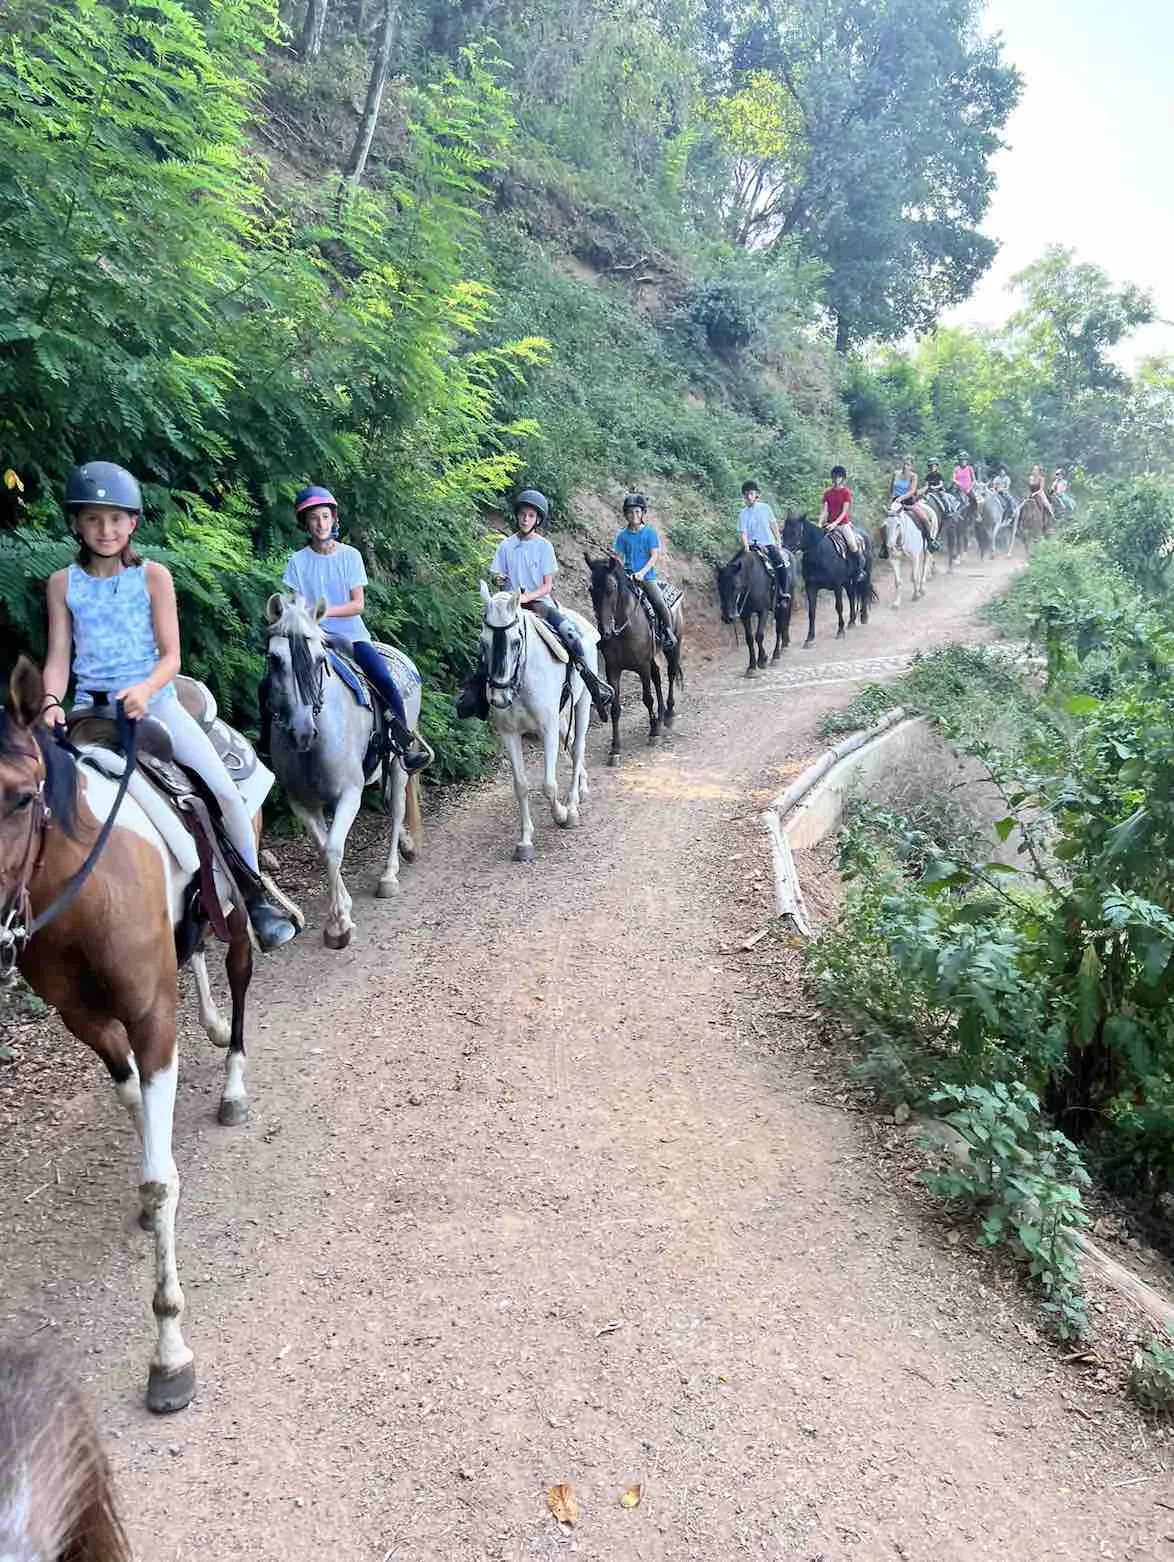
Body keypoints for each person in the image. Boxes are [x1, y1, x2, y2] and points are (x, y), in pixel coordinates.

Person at [40, 462, 297, 952]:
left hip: (154, 706)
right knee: (37, 800)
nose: (105, 530)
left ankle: (252, 894)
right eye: (93, 519)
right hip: (89, 717)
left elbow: (171, 655)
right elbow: (58, 658)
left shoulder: (153, 577)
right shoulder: (62, 584)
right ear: (76, 523)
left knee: (221, 790)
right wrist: (52, 701)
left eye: (116, 519)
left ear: (133, 522)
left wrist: (143, 690)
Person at [279, 486, 429, 774]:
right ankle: (272, 744)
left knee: (384, 679)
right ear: (305, 523)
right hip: (313, 639)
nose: (321, 523)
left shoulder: (351, 556)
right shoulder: (297, 561)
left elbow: (357, 604)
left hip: (351, 635)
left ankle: (404, 744)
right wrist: (299, 616)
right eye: (314, 518)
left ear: (334, 519)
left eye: (325, 516)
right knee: (275, 681)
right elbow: (295, 603)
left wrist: (321, 612)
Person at [455, 490, 614, 720]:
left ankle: (591, 682)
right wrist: (499, 579)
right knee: (487, 644)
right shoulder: (506, 546)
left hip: (539, 604)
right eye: (522, 514)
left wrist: (527, 597)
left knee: (570, 635)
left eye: (530, 515)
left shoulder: (544, 547)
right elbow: (498, 575)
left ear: (537, 519)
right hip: (510, 607)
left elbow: (547, 585)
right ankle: (476, 695)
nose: (525, 519)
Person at [613, 494, 676, 650]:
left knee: (659, 602)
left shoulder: (649, 532)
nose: (633, 515)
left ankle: (668, 632)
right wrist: (619, 565)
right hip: (628, 577)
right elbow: (619, 557)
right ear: (625, 514)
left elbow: (654, 555)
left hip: (647, 577)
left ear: (642, 513)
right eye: (630, 512)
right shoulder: (621, 536)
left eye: (637, 512)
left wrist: (641, 573)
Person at [737, 480, 789, 577]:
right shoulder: (743, 513)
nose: (749, 497)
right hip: (752, 545)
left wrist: (778, 541)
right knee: (735, 564)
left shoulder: (765, 508)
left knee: (780, 563)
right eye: (746, 494)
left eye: (751, 494)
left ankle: (784, 591)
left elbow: (773, 525)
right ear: (744, 496)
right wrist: (746, 548)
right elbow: (743, 533)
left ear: (756, 494)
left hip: (768, 544)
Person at [819, 465, 861, 572]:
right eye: (834, 476)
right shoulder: (827, 493)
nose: (836, 479)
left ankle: (859, 569)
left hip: (842, 524)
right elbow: (825, 510)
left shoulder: (845, 492)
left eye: (839, 477)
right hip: (828, 524)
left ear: (842, 478)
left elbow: (844, 511)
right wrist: (820, 523)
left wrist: (835, 524)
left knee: (852, 544)